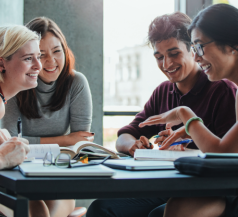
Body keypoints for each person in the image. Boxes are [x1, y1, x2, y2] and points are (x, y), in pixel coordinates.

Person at [87, 11, 237, 217]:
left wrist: (187, 126)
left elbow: (224, 156)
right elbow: (126, 134)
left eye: (175, 54)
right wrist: (134, 146)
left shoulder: (224, 89)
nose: (166, 64)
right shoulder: (163, 91)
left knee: (159, 214)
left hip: (210, 189)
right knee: (101, 208)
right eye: (159, 57)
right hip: (172, 185)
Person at [139, 3, 238, 217]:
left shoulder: (227, 90)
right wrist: (188, 130)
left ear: (232, 43)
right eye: (194, 48)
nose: (196, 56)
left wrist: (185, 114)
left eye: (200, 47)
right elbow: (227, 150)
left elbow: (222, 155)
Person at [0, 17, 93, 216]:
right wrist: (64, 140)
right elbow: (8, 143)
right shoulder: (17, 84)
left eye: (57, 51)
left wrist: (31, 144)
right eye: (41, 55)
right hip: (21, 174)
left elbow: (80, 146)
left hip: (59, 175)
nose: (51, 61)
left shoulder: (76, 82)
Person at [0, 25, 40, 216]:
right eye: (28, 58)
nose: (39, 66)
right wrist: (2, 157)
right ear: (1, 65)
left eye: (38, 57)